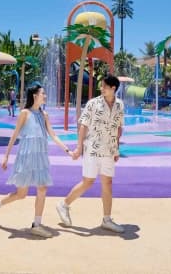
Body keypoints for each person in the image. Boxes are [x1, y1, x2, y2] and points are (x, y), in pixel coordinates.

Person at [0, 84, 73, 238]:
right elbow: (14, 135)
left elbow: (53, 135)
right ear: (35, 96)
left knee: (42, 188)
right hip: (26, 157)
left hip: (40, 157)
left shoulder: (44, 115)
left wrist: (68, 151)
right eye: (42, 93)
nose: (45, 96)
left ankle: (36, 225)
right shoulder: (24, 113)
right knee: (21, 194)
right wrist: (6, 156)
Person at [56, 75, 126, 233]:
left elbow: (119, 128)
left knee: (108, 183)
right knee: (88, 181)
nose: (102, 88)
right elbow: (83, 126)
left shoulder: (120, 105)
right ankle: (63, 204)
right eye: (102, 86)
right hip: (92, 149)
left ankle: (107, 219)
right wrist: (79, 147)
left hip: (109, 150)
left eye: (105, 86)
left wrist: (116, 148)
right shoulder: (93, 103)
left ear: (113, 88)